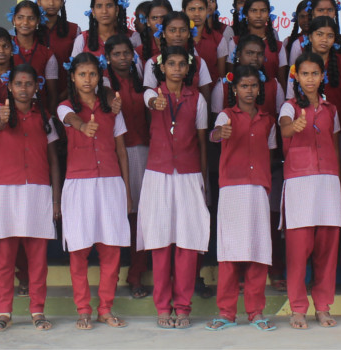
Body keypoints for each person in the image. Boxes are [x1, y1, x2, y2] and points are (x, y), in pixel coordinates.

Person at [57, 52, 131, 330]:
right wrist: (83, 126)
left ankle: (105, 308)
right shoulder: (64, 106)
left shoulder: (112, 107)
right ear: (73, 77)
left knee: (111, 250)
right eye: (81, 74)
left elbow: (121, 150)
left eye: (92, 74)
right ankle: (83, 309)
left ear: (99, 76)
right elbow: (70, 119)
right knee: (79, 250)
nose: (87, 79)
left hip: (111, 184)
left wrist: (127, 192)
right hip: (79, 185)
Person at [0, 64, 61, 333]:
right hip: (4, 190)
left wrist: (55, 199)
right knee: (5, 257)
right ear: (9, 86)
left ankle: (37, 310)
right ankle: (4, 311)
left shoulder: (46, 117)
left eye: (29, 83)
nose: (24, 88)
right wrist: (3, 117)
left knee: (37, 258)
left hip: (38, 191)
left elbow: (54, 160)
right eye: (19, 83)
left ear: (36, 87)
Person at [141, 46, 211, 329]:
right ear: (162, 67)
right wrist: (156, 103)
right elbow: (149, 102)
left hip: (189, 175)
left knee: (187, 242)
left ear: (188, 68)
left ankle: (183, 307)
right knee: (160, 242)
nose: (177, 69)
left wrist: (203, 179)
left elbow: (202, 141)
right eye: (171, 64)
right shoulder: (152, 93)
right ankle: (162, 307)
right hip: (158, 174)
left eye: (182, 64)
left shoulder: (198, 100)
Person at [207, 65, 278, 332]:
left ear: (259, 89)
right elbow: (215, 134)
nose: (249, 91)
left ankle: (256, 311)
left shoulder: (267, 119)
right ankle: (226, 312)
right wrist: (219, 134)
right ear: (234, 89)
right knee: (229, 252)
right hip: (232, 189)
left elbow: (270, 153)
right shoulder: (226, 116)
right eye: (244, 86)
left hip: (258, 188)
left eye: (253, 86)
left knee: (258, 251)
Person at [280, 52, 341, 329]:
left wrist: (338, 181)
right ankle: (297, 308)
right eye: (304, 74)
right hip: (299, 183)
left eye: (314, 73)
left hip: (328, 182)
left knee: (327, 250)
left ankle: (323, 306)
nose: (310, 79)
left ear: (322, 76)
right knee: (298, 250)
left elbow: (336, 145)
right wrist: (293, 126)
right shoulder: (289, 107)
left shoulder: (331, 109)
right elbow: (283, 129)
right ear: (296, 76)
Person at [103, 34, 151, 297]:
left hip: (145, 151)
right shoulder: (105, 81)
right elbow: (107, 96)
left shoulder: (141, 79)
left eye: (126, 53)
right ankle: (115, 276)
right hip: (117, 153)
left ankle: (136, 274)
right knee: (123, 215)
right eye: (117, 54)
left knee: (140, 218)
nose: (122, 58)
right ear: (108, 57)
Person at [217, 0, 282, 80]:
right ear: (246, 14)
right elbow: (231, 76)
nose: (258, 15)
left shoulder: (278, 46)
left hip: (271, 91)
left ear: (268, 14)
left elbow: (282, 79)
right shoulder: (235, 42)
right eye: (253, 10)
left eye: (263, 10)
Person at [9, 0, 60, 109]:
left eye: (31, 18)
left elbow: (53, 95)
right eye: (20, 17)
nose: (25, 22)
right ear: (14, 20)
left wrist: (49, 120)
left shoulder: (47, 54)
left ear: (38, 21)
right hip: (8, 114)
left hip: (39, 115)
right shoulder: (5, 49)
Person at [73, 0, 139, 59]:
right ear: (93, 11)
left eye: (109, 5)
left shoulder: (133, 37)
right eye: (99, 6)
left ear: (117, 9)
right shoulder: (82, 39)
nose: (104, 11)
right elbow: (74, 68)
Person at [183, 0, 224, 82]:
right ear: (184, 11)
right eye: (192, 9)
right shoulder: (178, 38)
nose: (197, 14)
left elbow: (221, 77)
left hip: (213, 92)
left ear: (207, 11)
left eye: (201, 9)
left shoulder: (218, 39)